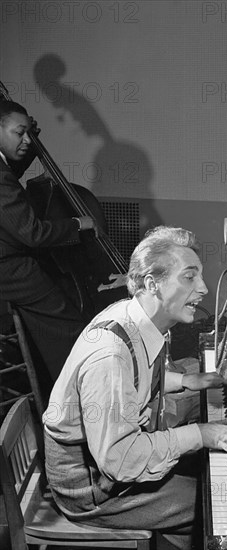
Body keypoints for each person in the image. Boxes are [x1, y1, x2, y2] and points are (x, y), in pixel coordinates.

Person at [42, 226, 227, 550]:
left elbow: (133, 379)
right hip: (90, 490)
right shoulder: (109, 356)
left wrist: (184, 381)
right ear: (152, 284)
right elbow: (119, 459)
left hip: (103, 467)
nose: (203, 288)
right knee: (215, 503)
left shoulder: (133, 317)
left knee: (206, 470)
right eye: (189, 277)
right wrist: (200, 433)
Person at [0, 100, 97, 392]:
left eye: (28, 133)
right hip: (8, 266)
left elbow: (8, 183)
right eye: (20, 133)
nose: (27, 140)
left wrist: (27, 147)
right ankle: (77, 395)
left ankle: (46, 381)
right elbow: (32, 233)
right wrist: (78, 224)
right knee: (67, 324)